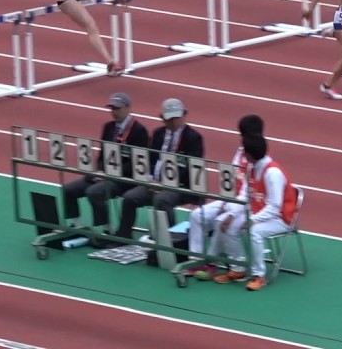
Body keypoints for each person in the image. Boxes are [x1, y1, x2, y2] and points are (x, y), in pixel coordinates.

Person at [99, 98, 205, 246]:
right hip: (155, 182)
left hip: (181, 185)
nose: (173, 122)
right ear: (162, 118)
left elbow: (192, 167)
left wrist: (166, 184)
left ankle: (169, 242)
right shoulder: (159, 133)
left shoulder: (193, 137)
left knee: (162, 200)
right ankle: (124, 235)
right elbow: (150, 158)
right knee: (130, 197)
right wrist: (149, 179)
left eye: (176, 118)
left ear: (183, 115)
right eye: (169, 119)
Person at [212, 134, 298, 292]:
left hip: (281, 218)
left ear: (249, 154)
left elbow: (274, 207)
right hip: (259, 213)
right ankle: (238, 269)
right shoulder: (252, 168)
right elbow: (245, 194)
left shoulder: (272, 173)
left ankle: (259, 275)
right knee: (226, 224)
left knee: (254, 232)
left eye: (244, 152)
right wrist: (231, 214)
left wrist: (252, 219)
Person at [184, 114, 264, 280]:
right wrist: (226, 200)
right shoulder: (240, 152)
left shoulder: (258, 157)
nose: (241, 139)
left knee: (222, 221)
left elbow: (250, 194)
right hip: (232, 198)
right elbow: (232, 179)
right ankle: (196, 260)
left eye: (244, 135)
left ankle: (213, 263)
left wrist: (231, 210)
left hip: (249, 205)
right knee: (197, 215)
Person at [60, 92, 150, 229]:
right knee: (68, 190)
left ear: (128, 108)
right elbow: (102, 155)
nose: (114, 112)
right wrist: (100, 171)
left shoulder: (139, 131)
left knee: (94, 192)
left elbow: (137, 164)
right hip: (105, 174)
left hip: (125, 178)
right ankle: (77, 225)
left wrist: (109, 174)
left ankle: (105, 230)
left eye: (117, 108)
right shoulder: (108, 127)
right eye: (112, 108)